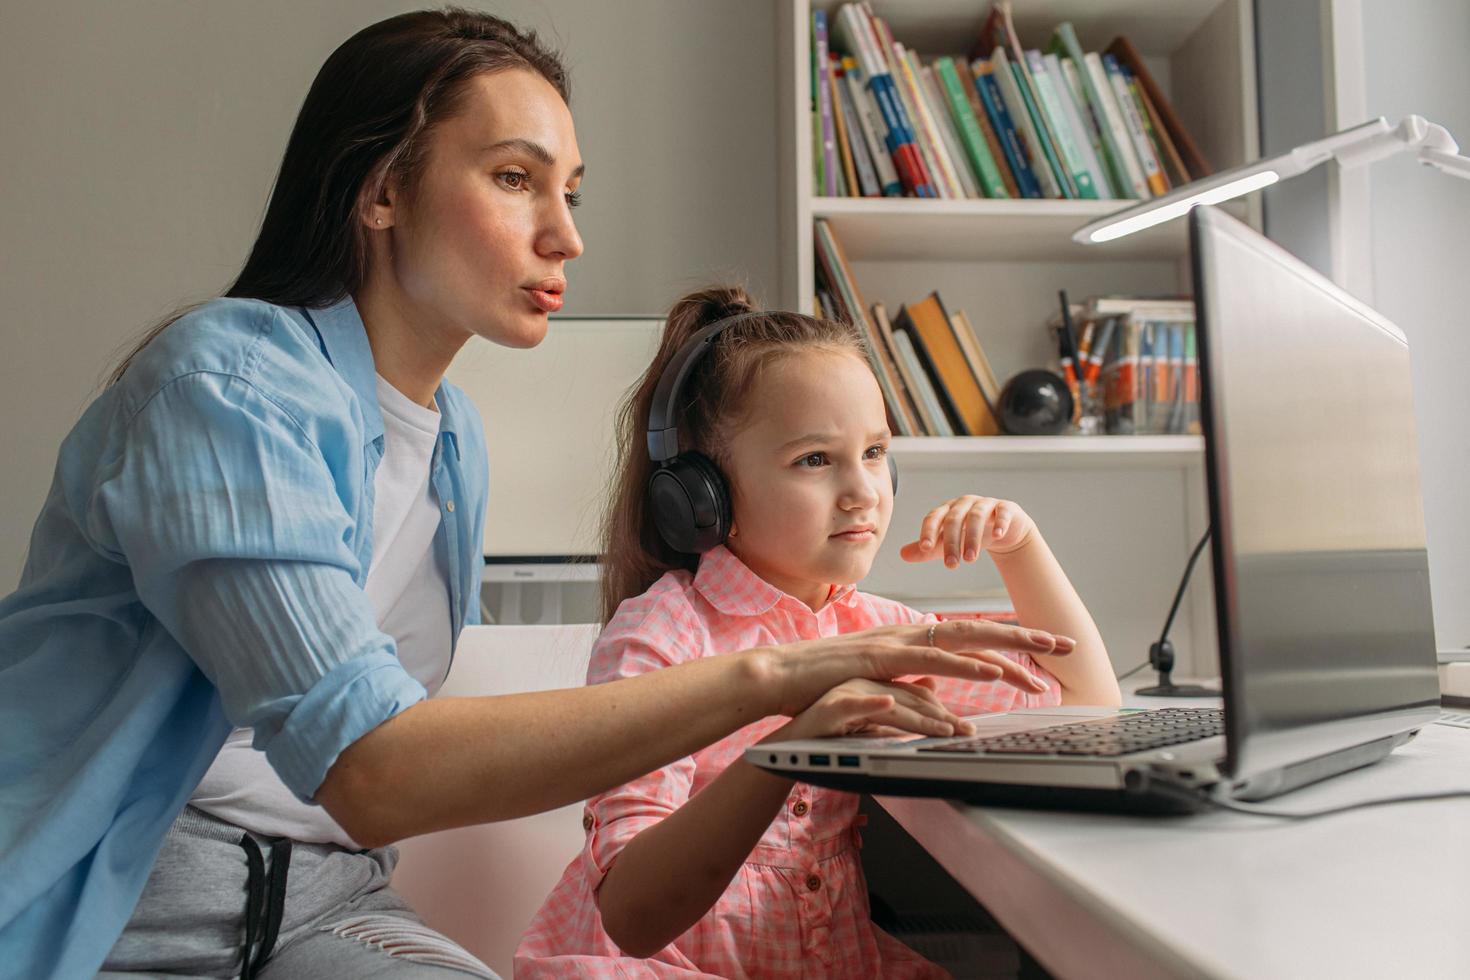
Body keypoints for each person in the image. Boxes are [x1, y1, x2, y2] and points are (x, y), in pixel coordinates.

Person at [0, 10, 1076, 979]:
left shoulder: (452, 436)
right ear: (380, 189)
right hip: (124, 913)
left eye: (569, 191)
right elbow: (369, 767)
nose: (565, 235)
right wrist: (777, 675)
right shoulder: (224, 387)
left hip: (325, 906)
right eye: (515, 179)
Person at [515, 286, 1122, 978]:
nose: (863, 490)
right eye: (814, 460)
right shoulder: (662, 636)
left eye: (873, 452)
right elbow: (633, 915)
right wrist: (792, 747)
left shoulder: (872, 627)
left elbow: (1089, 704)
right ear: (702, 496)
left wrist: (1022, 548)